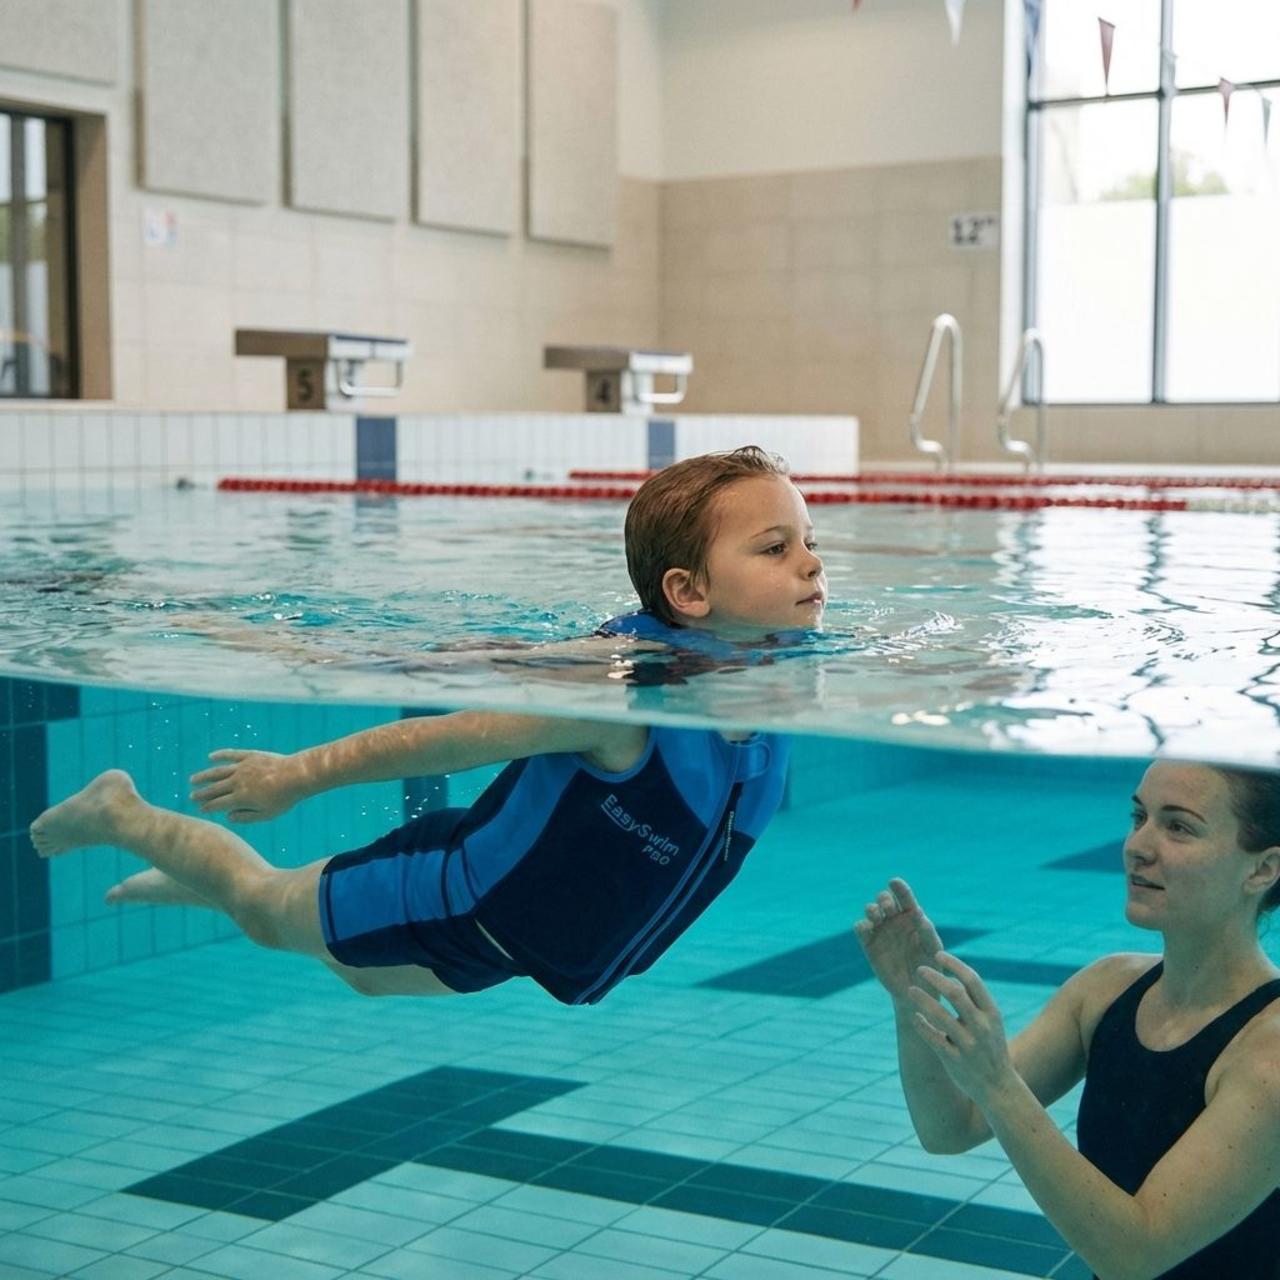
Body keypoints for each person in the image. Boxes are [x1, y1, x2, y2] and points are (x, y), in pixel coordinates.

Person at [31, 446, 826, 1005]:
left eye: (810, 542)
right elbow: (449, 737)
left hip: (506, 940)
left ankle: (209, 880)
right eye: (775, 548)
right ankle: (122, 813)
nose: (812, 563)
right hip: (450, 896)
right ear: (687, 592)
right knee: (265, 909)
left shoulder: (769, 679)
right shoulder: (627, 694)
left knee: (363, 978)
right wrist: (294, 776)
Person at [854, 760, 1280, 1279]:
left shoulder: (1269, 1053)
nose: (1138, 846)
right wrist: (913, 999)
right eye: (1139, 817)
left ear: (1262, 869)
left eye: (1178, 827)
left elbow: (1136, 1254)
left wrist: (999, 1084)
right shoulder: (1105, 990)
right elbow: (950, 1128)